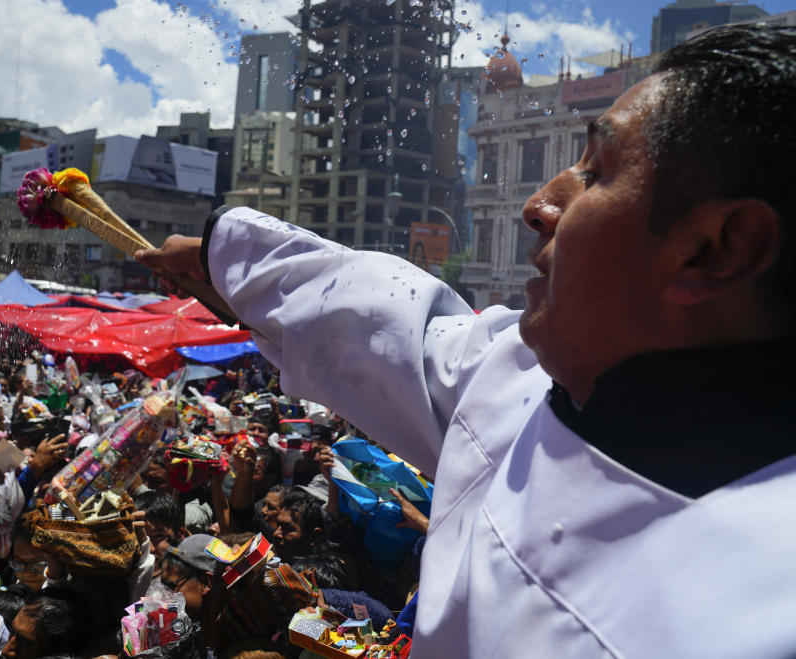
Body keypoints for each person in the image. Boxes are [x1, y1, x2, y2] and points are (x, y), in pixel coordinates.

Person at [136, 25, 796, 656]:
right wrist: (229, 261)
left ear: (717, 248)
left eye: (597, 172)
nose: (538, 206)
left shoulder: (758, 614)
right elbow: (390, 323)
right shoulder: (523, 377)